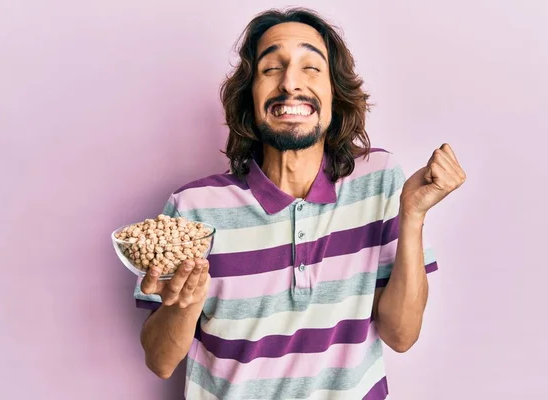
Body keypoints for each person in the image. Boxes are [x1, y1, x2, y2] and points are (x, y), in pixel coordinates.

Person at [133, 7, 466, 399]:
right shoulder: (193, 209)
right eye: (271, 68)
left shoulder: (378, 182)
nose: (290, 83)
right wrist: (183, 306)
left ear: (334, 94)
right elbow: (160, 361)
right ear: (249, 96)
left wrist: (412, 215)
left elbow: (401, 334)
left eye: (311, 67)